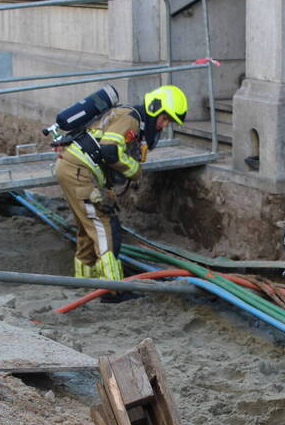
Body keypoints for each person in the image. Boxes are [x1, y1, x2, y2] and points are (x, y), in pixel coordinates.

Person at [55, 84, 187, 300]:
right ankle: (113, 291)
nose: (164, 125)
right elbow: (109, 150)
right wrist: (135, 171)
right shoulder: (131, 118)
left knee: (88, 230)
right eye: (165, 118)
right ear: (155, 108)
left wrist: (107, 191)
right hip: (79, 172)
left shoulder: (132, 120)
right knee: (106, 229)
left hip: (77, 169)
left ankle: (85, 284)